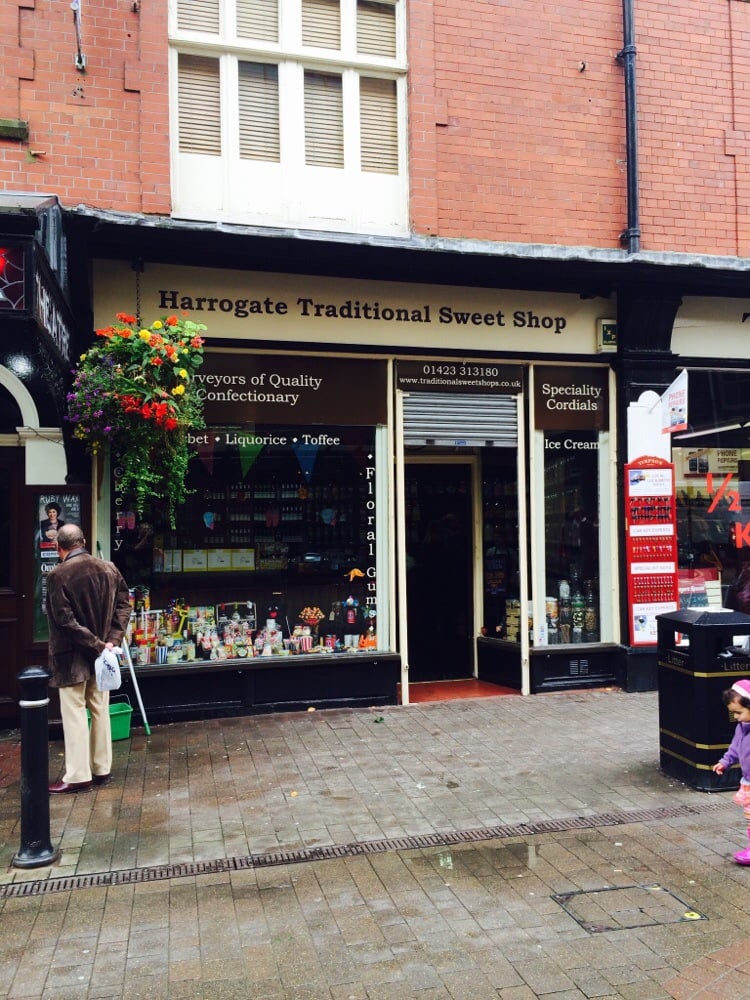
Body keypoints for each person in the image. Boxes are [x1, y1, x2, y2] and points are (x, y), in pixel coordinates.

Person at [46, 523, 132, 793]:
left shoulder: (58, 575)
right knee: (99, 708)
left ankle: (78, 774)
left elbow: (65, 621)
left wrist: (98, 645)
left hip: (72, 656)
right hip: (102, 655)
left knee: (73, 713)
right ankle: (101, 768)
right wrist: (111, 641)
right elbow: (124, 605)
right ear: (83, 541)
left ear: (58, 547)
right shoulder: (109, 568)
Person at [712, 679, 750, 865]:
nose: (736, 717)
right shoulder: (742, 727)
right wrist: (725, 762)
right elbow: (735, 748)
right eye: (733, 713)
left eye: (739, 712)